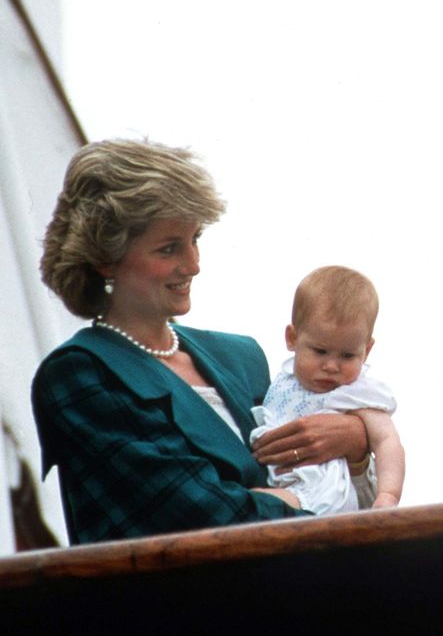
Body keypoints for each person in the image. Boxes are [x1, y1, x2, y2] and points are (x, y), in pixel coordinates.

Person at [31, 139, 379, 544]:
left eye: (194, 238)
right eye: (169, 248)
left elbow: (355, 499)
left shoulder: (241, 357)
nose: (194, 264)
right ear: (106, 258)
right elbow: (196, 517)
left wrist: (355, 442)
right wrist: (306, 502)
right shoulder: (80, 374)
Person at [251, 265, 403, 512]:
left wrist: (388, 495)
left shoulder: (357, 391)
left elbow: (387, 440)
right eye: (320, 351)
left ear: (367, 350)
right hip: (281, 478)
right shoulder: (284, 380)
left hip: (326, 493)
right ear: (292, 338)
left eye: (347, 355)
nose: (332, 366)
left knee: (252, 505)